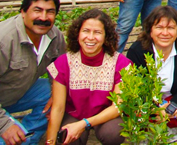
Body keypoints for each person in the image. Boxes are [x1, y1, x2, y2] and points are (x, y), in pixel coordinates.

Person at [0, 0, 66, 145]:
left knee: (56, 93)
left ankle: (27, 139)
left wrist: (55, 92)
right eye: (37, 10)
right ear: (23, 12)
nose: (43, 17)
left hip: (11, 96)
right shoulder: (0, 41)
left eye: (50, 12)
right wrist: (4, 126)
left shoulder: (54, 37)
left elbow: (61, 69)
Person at [45, 9, 131, 145]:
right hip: (74, 115)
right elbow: (58, 107)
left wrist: (84, 123)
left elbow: (117, 107)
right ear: (77, 34)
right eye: (86, 31)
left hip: (106, 117)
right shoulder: (63, 63)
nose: (90, 37)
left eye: (97, 32)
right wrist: (50, 142)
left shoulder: (120, 63)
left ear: (106, 36)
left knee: (113, 133)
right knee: (67, 137)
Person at [127, 6, 177, 139]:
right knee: (135, 113)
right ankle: (146, 133)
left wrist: (172, 106)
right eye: (159, 27)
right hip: (145, 102)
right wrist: (156, 108)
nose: (165, 33)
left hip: (172, 99)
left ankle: (169, 128)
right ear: (150, 30)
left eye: (170, 28)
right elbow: (135, 88)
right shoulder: (137, 51)